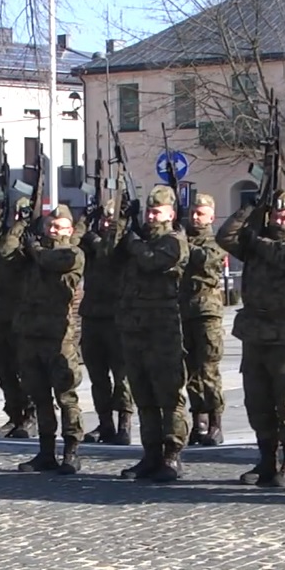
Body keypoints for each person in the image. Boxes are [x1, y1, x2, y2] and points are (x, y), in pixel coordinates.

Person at [216, 190, 285, 486]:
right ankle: (266, 459)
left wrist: (258, 241)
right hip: (257, 331)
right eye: (275, 216)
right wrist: (250, 208)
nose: (278, 221)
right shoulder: (256, 241)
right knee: (258, 399)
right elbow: (226, 236)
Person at [114, 185, 191, 482]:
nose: (151, 216)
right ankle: (150, 454)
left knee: (169, 394)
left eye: (157, 211)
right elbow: (111, 252)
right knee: (143, 394)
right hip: (135, 328)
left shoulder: (174, 241)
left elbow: (151, 261)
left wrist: (133, 239)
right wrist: (124, 222)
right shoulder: (139, 238)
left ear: (170, 213)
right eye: (148, 211)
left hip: (163, 331)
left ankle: (172, 455)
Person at [5, 204, 86, 473]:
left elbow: (52, 261)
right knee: (39, 396)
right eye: (50, 225)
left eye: (59, 226)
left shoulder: (72, 253)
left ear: (70, 230)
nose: (53, 230)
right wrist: (19, 227)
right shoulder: (32, 254)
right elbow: (5, 253)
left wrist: (35, 249)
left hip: (57, 337)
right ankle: (46, 452)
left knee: (66, 396)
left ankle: (72, 451)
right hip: (30, 335)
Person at [0, 198, 37, 440]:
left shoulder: (31, 238)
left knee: (26, 371)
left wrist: (21, 225)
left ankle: (31, 418)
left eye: (19, 213)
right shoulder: (5, 235)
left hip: (22, 316)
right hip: (1, 314)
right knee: (6, 372)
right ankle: (14, 415)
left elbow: (7, 251)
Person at [77, 201, 132, 445]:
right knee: (98, 377)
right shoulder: (89, 243)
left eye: (113, 217)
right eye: (105, 217)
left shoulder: (124, 243)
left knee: (122, 377)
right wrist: (83, 220)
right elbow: (71, 243)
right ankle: (105, 423)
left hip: (117, 318)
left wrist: (119, 223)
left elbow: (108, 251)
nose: (107, 221)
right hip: (92, 316)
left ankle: (124, 424)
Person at [180, 192, 227, 446]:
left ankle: (215, 422)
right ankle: (198, 421)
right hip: (183, 310)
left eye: (201, 213)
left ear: (211, 216)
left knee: (209, 370)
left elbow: (204, 259)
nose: (195, 217)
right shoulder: (180, 236)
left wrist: (180, 242)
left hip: (207, 311)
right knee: (189, 372)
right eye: (193, 212)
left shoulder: (216, 240)